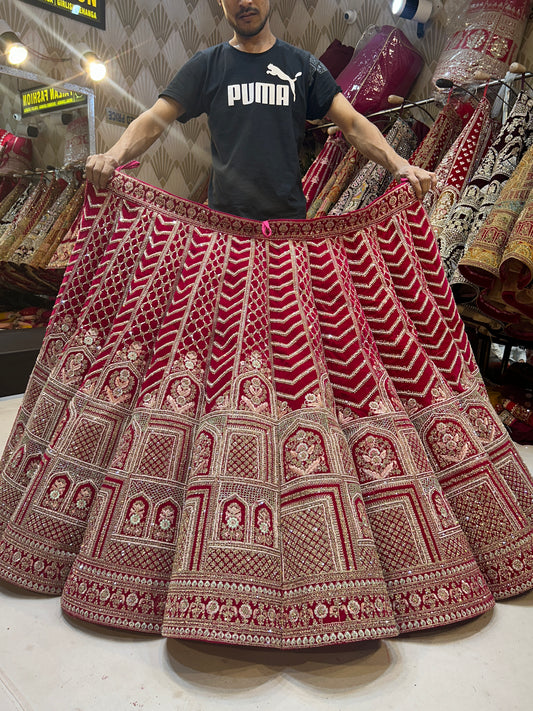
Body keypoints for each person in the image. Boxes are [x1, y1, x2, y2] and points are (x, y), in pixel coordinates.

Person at [86, 0, 436, 218]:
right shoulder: (206, 65)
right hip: (224, 229)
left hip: (287, 229)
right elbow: (153, 120)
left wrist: (401, 165)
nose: (245, 2)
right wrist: (113, 155)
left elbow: (354, 124)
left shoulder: (302, 65)